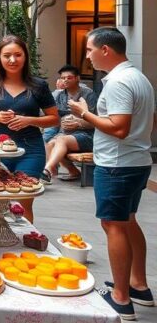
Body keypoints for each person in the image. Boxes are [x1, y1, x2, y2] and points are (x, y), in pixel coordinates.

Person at [67, 28, 155, 321]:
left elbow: (119, 127)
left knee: (113, 225)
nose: (88, 56)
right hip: (136, 160)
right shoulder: (138, 78)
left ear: (106, 50)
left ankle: (121, 298)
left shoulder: (118, 82)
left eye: (90, 50)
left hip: (117, 164)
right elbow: (148, 122)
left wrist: (83, 113)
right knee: (127, 222)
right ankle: (138, 285)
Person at [0, 35, 59, 224]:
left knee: (24, 203)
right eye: (7, 55)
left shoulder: (38, 86)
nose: (12, 60)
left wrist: (29, 120)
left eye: (17, 55)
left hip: (30, 151)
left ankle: (28, 242)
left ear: (25, 57)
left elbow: (55, 119)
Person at [42, 65, 98, 183]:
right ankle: (72, 171)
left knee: (61, 141)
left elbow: (95, 121)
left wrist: (78, 123)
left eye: (69, 77)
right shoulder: (60, 95)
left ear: (77, 78)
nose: (65, 80)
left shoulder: (88, 95)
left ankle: (46, 170)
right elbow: (54, 116)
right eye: (63, 78)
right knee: (50, 143)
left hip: (86, 135)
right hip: (66, 133)